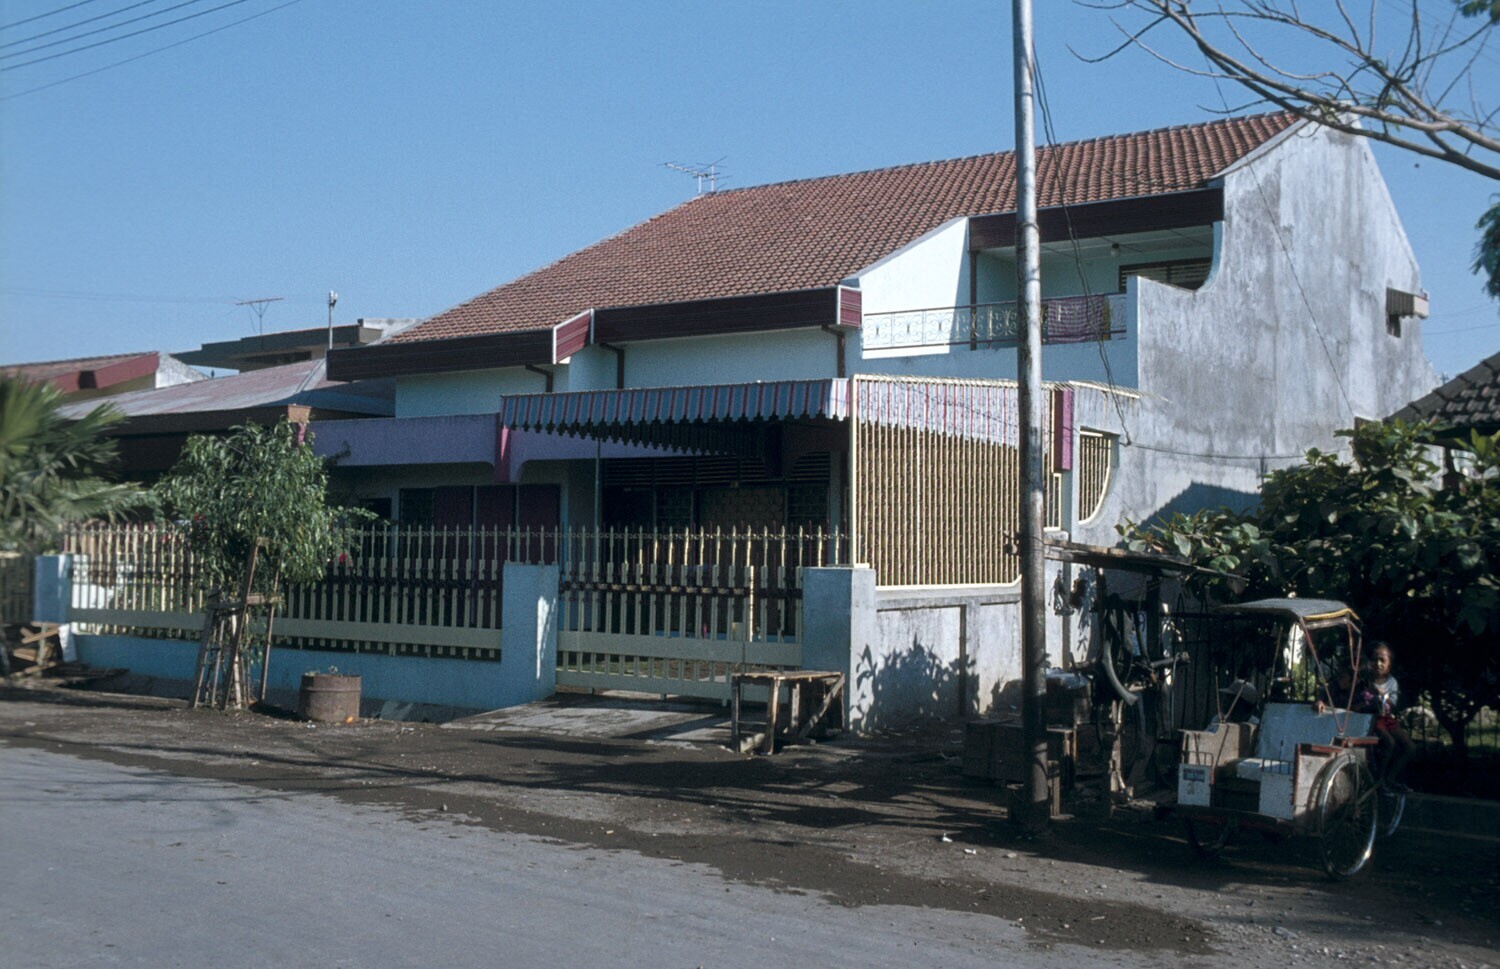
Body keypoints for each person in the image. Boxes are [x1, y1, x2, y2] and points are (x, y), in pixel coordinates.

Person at [1367, 641, 1415, 790]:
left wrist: (1382, 695)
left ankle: (1390, 778)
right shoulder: (1365, 680)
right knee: (1389, 743)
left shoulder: (1392, 682)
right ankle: (1379, 779)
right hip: (1371, 718)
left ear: (1389, 665)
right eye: (1375, 659)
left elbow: (1392, 704)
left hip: (1386, 718)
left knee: (1410, 748)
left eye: (1382, 660)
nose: (1378, 663)